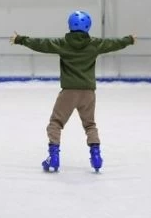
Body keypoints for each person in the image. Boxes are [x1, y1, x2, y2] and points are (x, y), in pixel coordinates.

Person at [9, 11, 133, 173]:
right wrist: (128, 40)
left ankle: (53, 157)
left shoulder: (63, 43)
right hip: (88, 93)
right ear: (88, 26)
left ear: (70, 25)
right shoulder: (94, 44)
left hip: (68, 92)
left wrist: (21, 40)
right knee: (90, 125)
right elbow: (113, 43)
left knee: (56, 123)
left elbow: (42, 44)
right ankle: (96, 157)